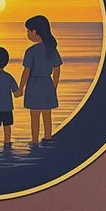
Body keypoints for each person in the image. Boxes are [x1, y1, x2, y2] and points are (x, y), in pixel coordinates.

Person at [19, 16, 61, 147]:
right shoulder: (51, 49)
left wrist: (21, 88)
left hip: (34, 84)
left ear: (35, 32)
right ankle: (48, 136)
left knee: (34, 114)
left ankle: (34, 139)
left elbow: (26, 72)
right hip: (47, 83)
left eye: (28, 31)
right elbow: (57, 69)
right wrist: (54, 86)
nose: (27, 34)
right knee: (47, 114)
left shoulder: (31, 51)